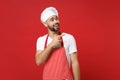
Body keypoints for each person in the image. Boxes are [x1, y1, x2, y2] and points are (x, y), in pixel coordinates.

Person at [35, 6, 80, 80]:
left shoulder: (68, 38)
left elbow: (75, 62)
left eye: (56, 18)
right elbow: (39, 61)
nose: (56, 21)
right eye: (52, 20)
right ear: (45, 24)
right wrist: (52, 44)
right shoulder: (41, 40)